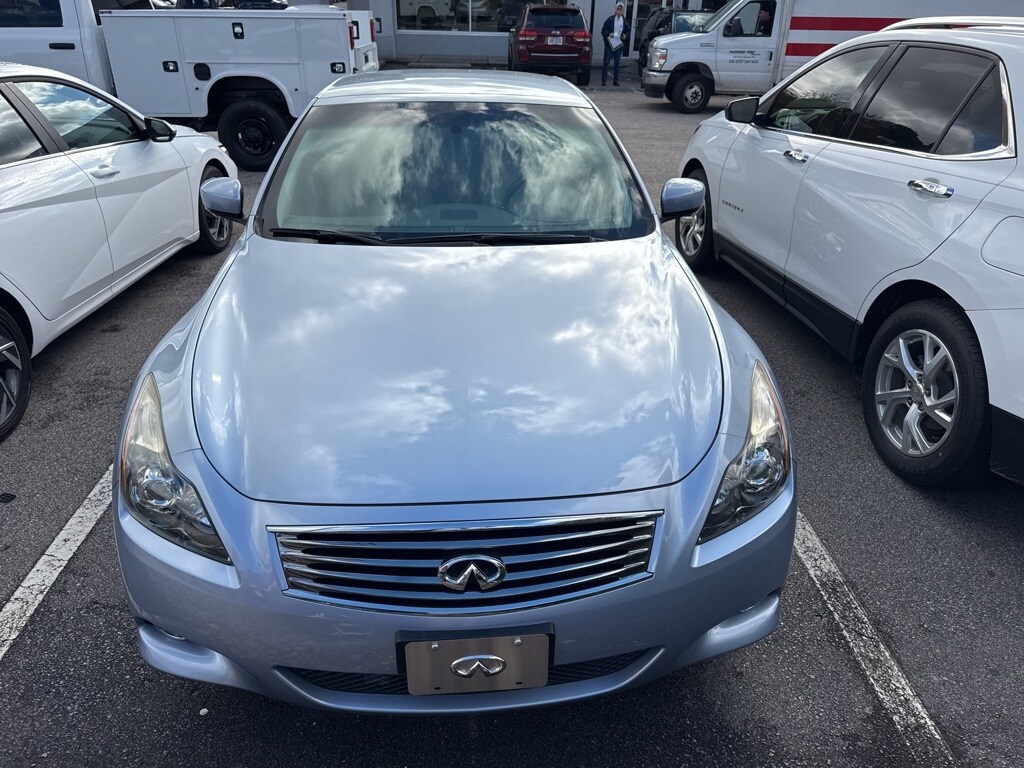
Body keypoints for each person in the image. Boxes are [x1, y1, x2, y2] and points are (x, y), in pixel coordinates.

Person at [601, 2, 629, 87]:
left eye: (621, 9)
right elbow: (603, 31)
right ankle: (604, 81)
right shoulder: (610, 19)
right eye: (618, 9)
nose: (619, 10)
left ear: (623, 10)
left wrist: (625, 35)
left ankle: (615, 81)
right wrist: (609, 33)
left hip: (618, 45)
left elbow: (628, 31)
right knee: (606, 63)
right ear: (615, 10)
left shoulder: (624, 21)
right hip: (609, 44)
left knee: (617, 63)